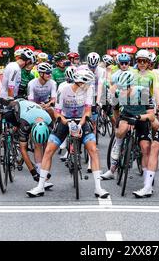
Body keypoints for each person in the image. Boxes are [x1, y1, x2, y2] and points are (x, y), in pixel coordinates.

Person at [26, 68, 109, 198]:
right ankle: (40, 186)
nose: (89, 86)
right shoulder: (63, 89)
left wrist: (80, 125)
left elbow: (87, 111)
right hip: (64, 120)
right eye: (87, 83)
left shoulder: (89, 89)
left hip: (81, 120)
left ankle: (98, 188)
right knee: (48, 150)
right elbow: (57, 112)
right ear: (81, 82)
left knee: (93, 149)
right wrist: (67, 123)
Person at [100, 71, 155, 183]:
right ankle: (117, 149)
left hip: (141, 116)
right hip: (126, 115)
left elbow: (151, 116)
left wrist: (138, 117)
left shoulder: (142, 92)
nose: (122, 92)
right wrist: (116, 125)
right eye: (121, 89)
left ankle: (146, 181)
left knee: (145, 147)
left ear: (131, 86)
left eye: (125, 89)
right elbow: (116, 112)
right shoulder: (117, 93)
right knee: (121, 129)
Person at [0, 49, 36, 163]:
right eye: (31, 64)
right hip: (8, 99)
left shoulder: (13, 65)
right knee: (19, 121)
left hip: (4, 98)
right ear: (27, 61)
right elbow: (11, 87)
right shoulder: (15, 68)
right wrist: (12, 102)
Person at [2, 99, 54, 187]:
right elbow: (23, 150)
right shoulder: (24, 123)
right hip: (17, 107)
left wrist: (44, 171)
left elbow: (48, 150)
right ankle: (13, 134)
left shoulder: (49, 122)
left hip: (32, 110)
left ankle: (40, 174)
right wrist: (33, 172)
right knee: (8, 116)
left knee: (39, 144)